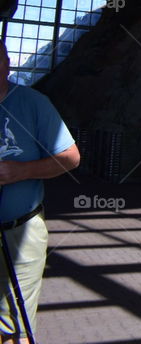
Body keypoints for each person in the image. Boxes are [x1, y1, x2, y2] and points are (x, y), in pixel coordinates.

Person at [0, 41, 80, 343]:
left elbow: (70, 157)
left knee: (15, 322)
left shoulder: (34, 103)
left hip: (21, 228)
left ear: (6, 63)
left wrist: (22, 171)